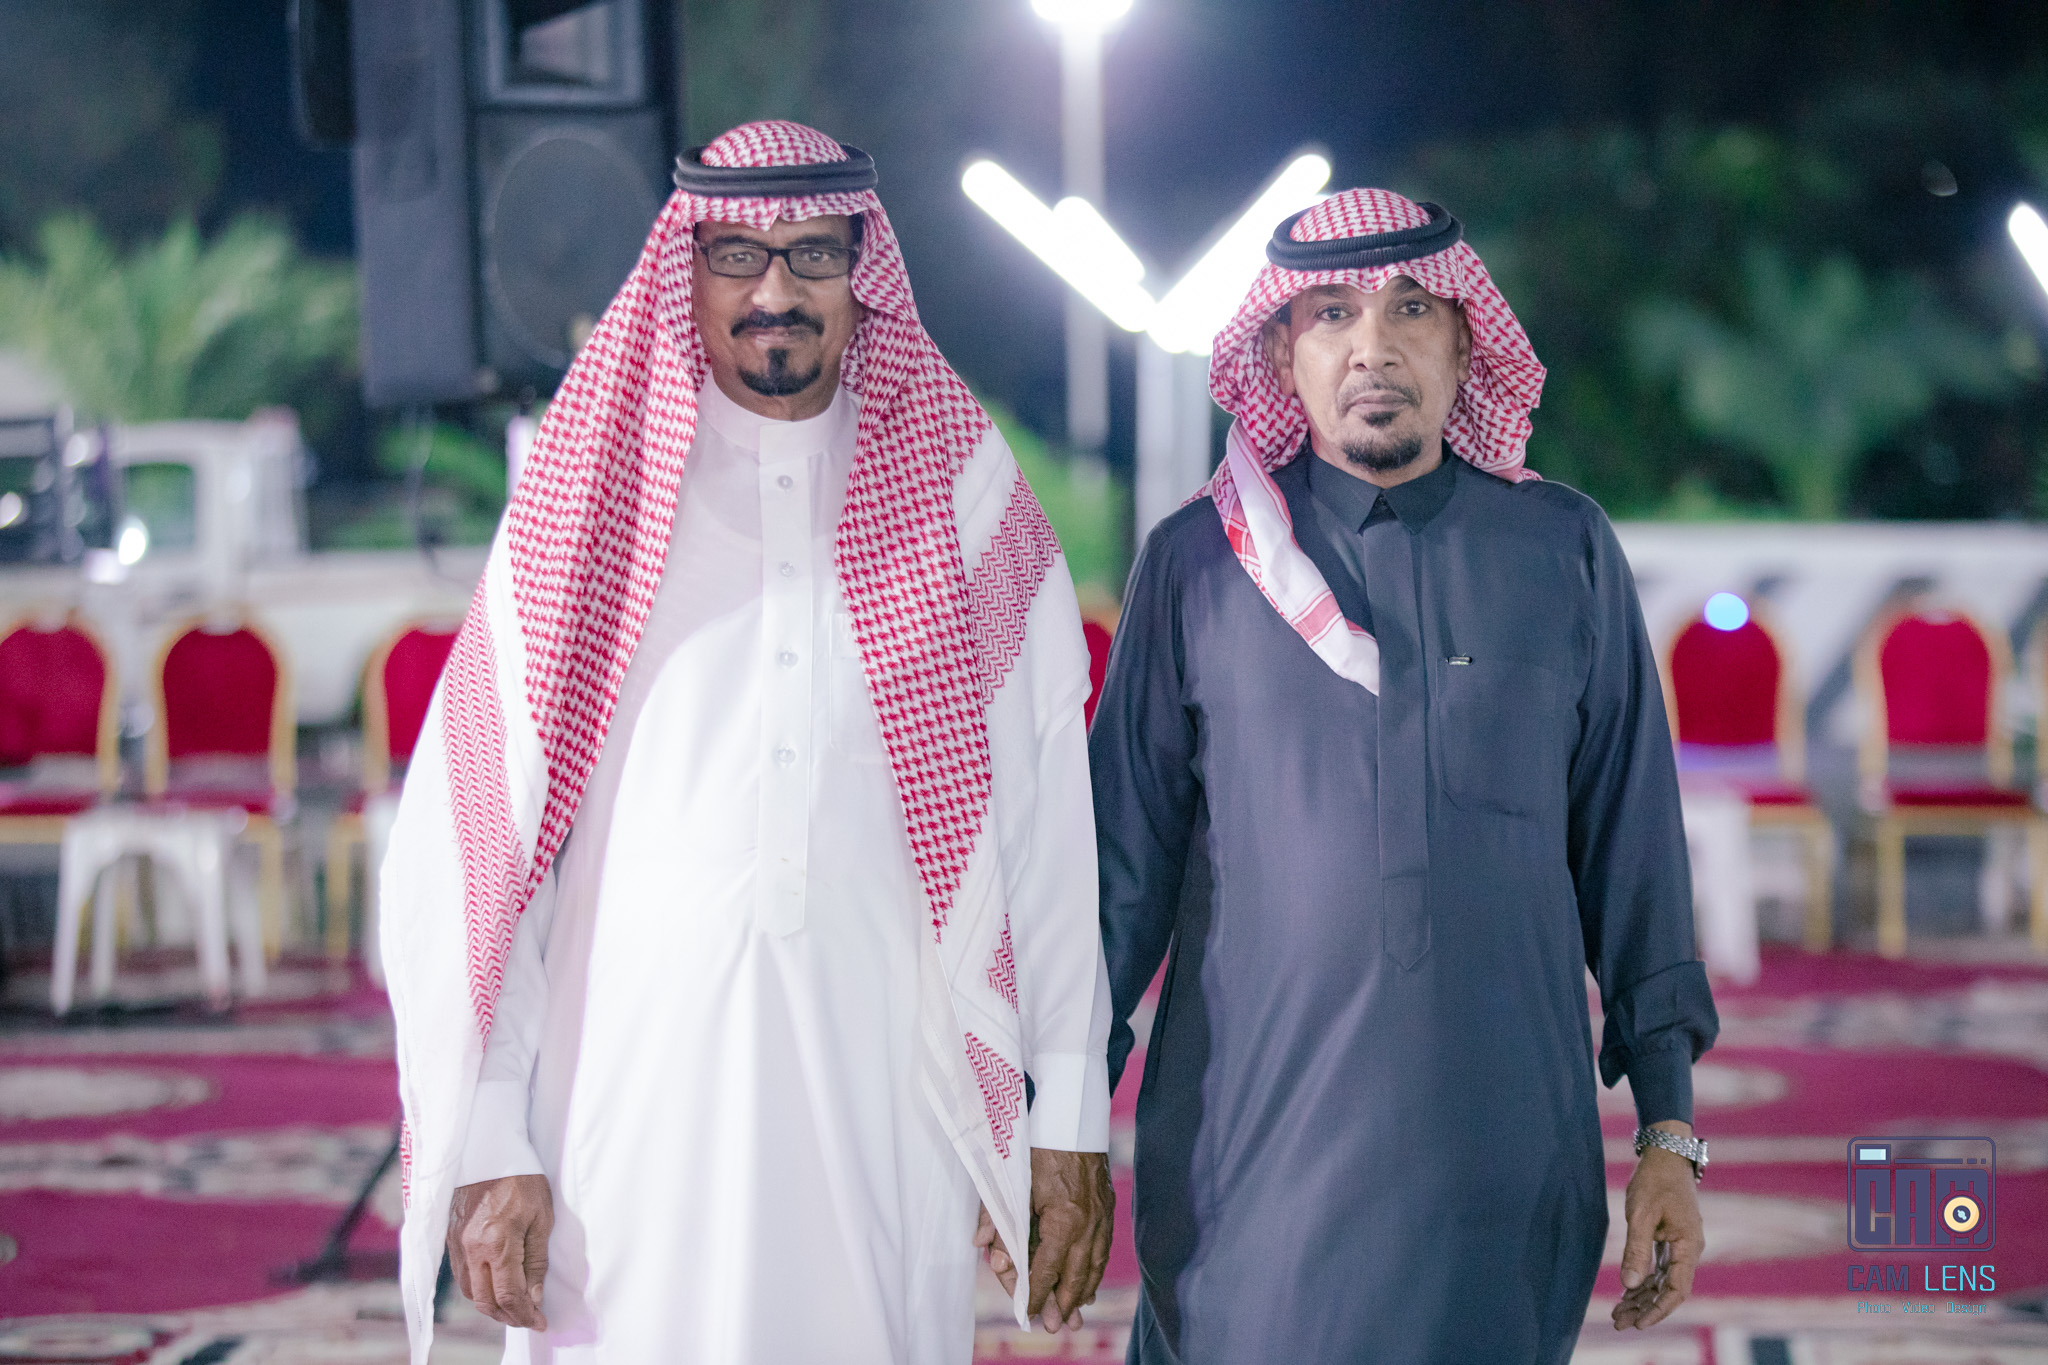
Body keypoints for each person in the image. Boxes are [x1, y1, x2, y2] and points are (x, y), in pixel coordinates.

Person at [379, 121, 1114, 1365]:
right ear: (689, 270)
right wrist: (492, 1130)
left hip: (887, 1111)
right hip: (622, 1116)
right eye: (737, 254)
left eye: (813, 252)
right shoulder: (594, 494)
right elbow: (481, 840)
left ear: (861, 271)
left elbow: (1046, 827)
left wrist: (1067, 1113)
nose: (775, 288)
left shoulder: (961, 500)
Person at [1089, 188, 1719, 1364]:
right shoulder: (1198, 565)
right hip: (1248, 1179)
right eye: (1330, 313)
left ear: (1465, 343)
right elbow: (1114, 883)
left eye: (1410, 310)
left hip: (1504, 1174)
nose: (1371, 346)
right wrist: (1054, 1122)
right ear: (1281, 352)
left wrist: (1667, 1135)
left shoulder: (1561, 551)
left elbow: (1633, 862)